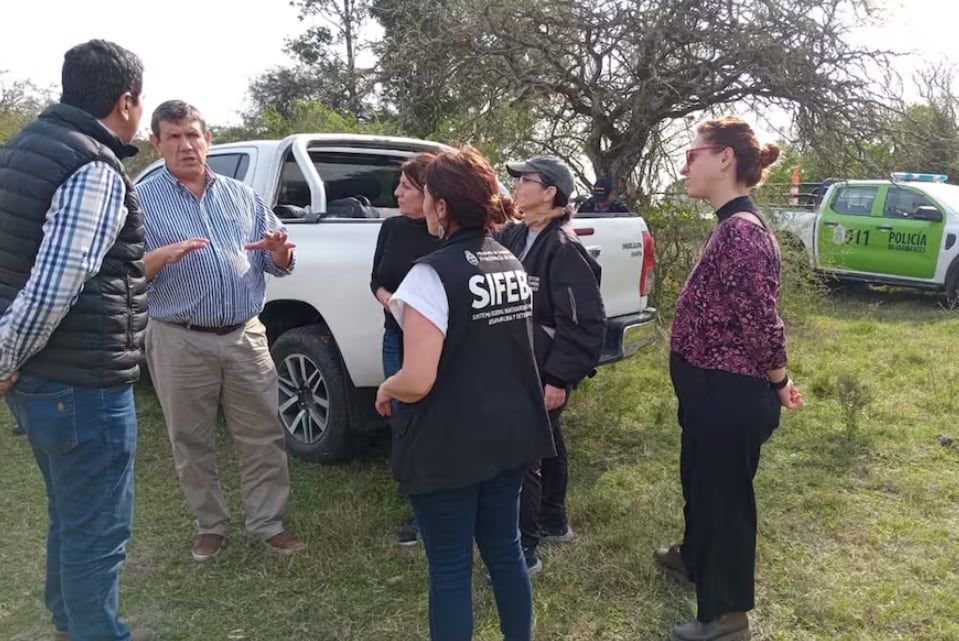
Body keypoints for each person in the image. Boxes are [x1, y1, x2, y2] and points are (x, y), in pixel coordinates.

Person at [0, 40, 153, 641]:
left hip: (45, 380)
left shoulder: (22, 151)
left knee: (71, 512)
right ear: (126, 101)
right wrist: (3, 357)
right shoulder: (91, 167)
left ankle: (69, 622)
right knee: (97, 531)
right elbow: (54, 285)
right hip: (81, 383)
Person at [375, 147, 555, 641]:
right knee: (505, 551)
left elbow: (417, 379)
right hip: (510, 435)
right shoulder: (509, 260)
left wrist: (387, 386)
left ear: (442, 206)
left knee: (451, 569)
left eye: (427, 194)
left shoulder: (430, 274)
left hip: (450, 445)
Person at [137, 100, 304, 562]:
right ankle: (209, 525)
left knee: (263, 433)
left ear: (207, 139)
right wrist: (159, 258)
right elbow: (123, 273)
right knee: (190, 439)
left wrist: (280, 252)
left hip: (245, 334)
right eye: (173, 137)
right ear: (156, 143)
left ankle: (268, 523)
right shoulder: (140, 202)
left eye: (193, 135)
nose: (186, 145)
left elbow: (278, 261)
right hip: (178, 337)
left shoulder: (241, 195)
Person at [659, 117, 803, 641]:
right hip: (709, 391)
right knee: (700, 480)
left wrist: (780, 381)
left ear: (724, 159)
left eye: (691, 155)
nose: (684, 167)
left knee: (724, 500)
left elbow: (762, 322)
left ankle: (727, 617)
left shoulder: (742, 232)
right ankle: (695, 557)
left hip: (729, 393)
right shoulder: (729, 225)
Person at [499, 156, 606, 573]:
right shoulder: (516, 234)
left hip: (545, 369)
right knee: (550, 439)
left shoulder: (563, 248)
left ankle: (524, 550)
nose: (517, 186)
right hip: (520, 364)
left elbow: (583, 322)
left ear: (549, 193)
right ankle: (553, 520)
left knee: (526, 452)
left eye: (525, 180)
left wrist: (559, 378)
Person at [369, 153, 441, 545]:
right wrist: (389, 300)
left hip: (433, 345)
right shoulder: (392, 228)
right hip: (395, 339)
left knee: (432, 421)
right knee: (403, 420)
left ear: (429, 192)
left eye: (406, 186)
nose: (396, 192)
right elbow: (376, 280)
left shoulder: (444, 231)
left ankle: (434, 508)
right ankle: (418, 500)